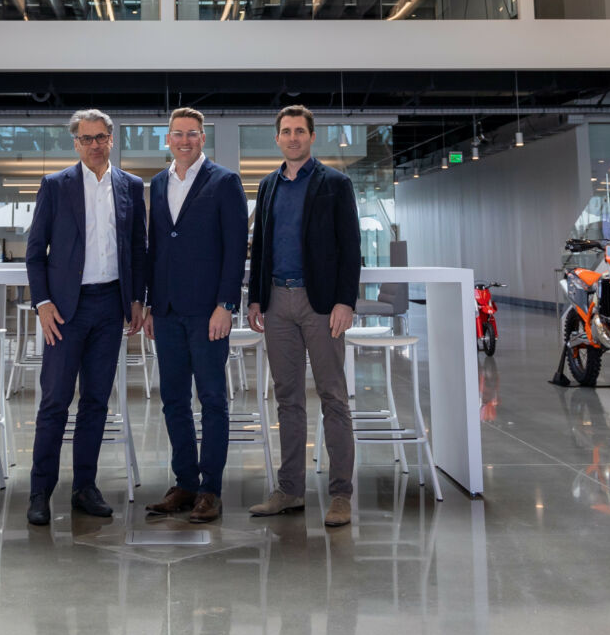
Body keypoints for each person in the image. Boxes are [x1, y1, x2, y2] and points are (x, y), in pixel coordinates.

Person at [23, 109, 147, 527]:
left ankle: (84, 488)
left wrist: (136, 299)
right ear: (76, 144)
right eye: (86, 138)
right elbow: (35, 249)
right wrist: (42, 303)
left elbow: (138, 249)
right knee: (55, 401)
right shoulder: (56, 186)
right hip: (64, 311)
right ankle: (40, 491)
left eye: (101, 137)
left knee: (95, 402)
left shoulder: (130, 185)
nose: (94, 144)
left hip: (110, 307)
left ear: (112, 139)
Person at [246, 104, 362, 528]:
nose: (293, 137)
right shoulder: (267, 186)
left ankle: (341, 495)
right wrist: (256, 298)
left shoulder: (334, 183)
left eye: (300, 131)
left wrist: (345, 302)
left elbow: (351, 248)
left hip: (322, 306)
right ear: (277, 138)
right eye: (286, 131)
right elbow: (260, 247)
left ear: (312, 137)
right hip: (277, 303)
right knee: (287, 398)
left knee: (333, 397)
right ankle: (290, 489)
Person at [143, 107, 247, 524]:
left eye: (192, 134)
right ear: (167, 139)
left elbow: (235, 246)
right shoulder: (157, 182)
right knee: (173, 400)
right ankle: (185, 482)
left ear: (203, 138)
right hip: (166, 311)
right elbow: (156, 247)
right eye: (177, 134)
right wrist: (150, 303)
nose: (184, 140)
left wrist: (227, 304)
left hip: (209, 312)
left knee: (212, 400)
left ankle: (210, 490)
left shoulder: (224, 182)